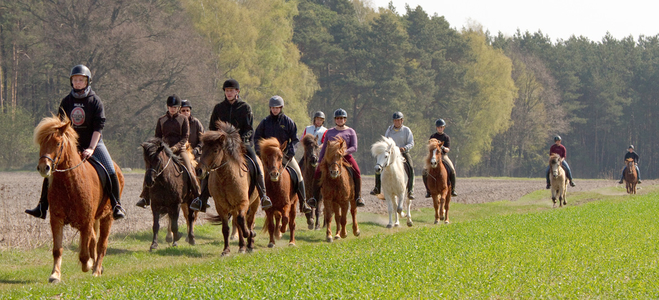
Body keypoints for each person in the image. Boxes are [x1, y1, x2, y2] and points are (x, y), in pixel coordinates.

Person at [25, 64, 126, 220]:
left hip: (94, 143)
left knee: (111, 170)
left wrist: (91, 148)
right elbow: (59, 126)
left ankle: (116, 205)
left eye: (81, 80)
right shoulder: (67, 101)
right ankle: (42, 206)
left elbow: (98, 128)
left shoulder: (96, 101)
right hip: (70, 145)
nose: (78, 82)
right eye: (75, 80)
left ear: (87, 82)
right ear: (71, 82)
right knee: (51, 171)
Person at [190, 79, 272, 212]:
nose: (228, 93)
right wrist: (216, 140)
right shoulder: (218, 108)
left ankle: (263, 196)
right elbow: (212, 127)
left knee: (256, 163)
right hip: (220, 146)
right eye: (227, 91)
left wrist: (238, 141)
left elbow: (249, 130)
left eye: (231, 91)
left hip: (241, 144)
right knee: (207, 164)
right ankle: (202, 199)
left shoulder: (245, 107)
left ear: (237, 92)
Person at [136, 95, 202, 208]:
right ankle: (145, 196)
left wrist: (175, 148)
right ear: (167, 107)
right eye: (170, 107)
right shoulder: (161, 120)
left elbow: (185, 137)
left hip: (180, 150)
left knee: (190, 169)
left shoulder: (183, 119)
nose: (172, 109)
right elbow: (157, 137)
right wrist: (161, 148)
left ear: (178, 107)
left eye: (175, 107)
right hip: (164, 150)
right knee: (150, 169)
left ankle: (197, 197)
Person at [254, 96, 312, 213]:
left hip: (284, 155)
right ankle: (255, 201)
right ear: (270, 108)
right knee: (256, 174)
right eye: (273, 108)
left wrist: (291, 151)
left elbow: (295, 140)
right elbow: (257, 138)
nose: (275, 110)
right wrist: (259, 151)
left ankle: (303, 202)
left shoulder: (288, 122)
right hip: (268, 158)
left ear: (281, 108)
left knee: (299, 175)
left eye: (277, 108)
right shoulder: (265, 122)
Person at [308, 108, 365, 208]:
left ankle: (358, 197)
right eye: (338, 118)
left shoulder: (351, 131)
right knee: (317, 172)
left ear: (345, 119)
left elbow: (354, 147)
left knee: (357, 171)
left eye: (341, 118)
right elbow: (325, 147)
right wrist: (320, 161)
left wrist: (344, 152)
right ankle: (314, 198)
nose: (340, 120)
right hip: (330, 159)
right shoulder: (330, 132)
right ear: (335, 120)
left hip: (346, 157)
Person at [370, 111, 415, 199]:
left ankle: (410, 190)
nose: (396, 122)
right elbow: (385, 141)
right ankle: (377, 188)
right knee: (379, 166)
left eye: (398, 120)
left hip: (403, 153)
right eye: (395, 120)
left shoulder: (406, 130)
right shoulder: (389, 129)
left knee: (411, 167)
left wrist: (405, 148)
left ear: (402, 121)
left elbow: (411, 142)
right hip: (391, 154)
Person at [423, 118, 458, 197]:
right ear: (436, 128)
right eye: (439, 127)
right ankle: (428, 190)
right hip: (433, 156)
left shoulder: (446, 137)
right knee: (424, 171)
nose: (440, 128)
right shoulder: (432, 136)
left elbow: (447, 149)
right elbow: (430, 146)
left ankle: (453, 189)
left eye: (442, 127)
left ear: (444, 128)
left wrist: (441, 147)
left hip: (443, 156)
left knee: (452, 170)